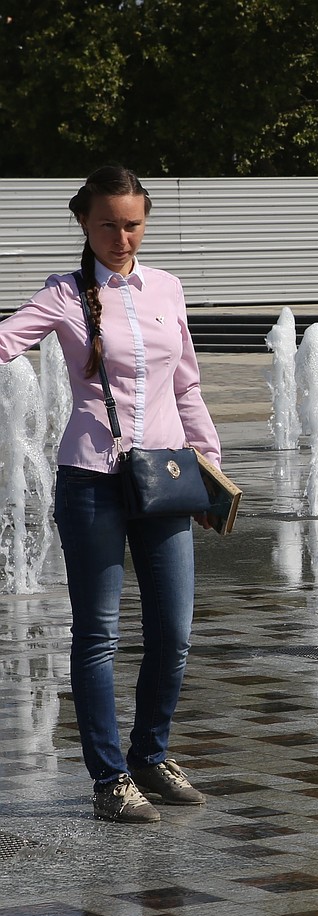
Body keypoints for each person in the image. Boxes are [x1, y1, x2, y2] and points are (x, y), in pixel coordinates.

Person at [0, 165, 222, 824]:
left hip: (164, 479)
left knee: (173, 632)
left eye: (132, 224)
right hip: (91, 482)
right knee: (97, 634)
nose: (122, 238)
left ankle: (151, 755)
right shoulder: (65, 295)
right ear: (84, 224)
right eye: (108, 225)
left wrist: (209, 468)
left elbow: (186, 385)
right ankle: (109, 778)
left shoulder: (168, 288)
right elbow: (5, 340)